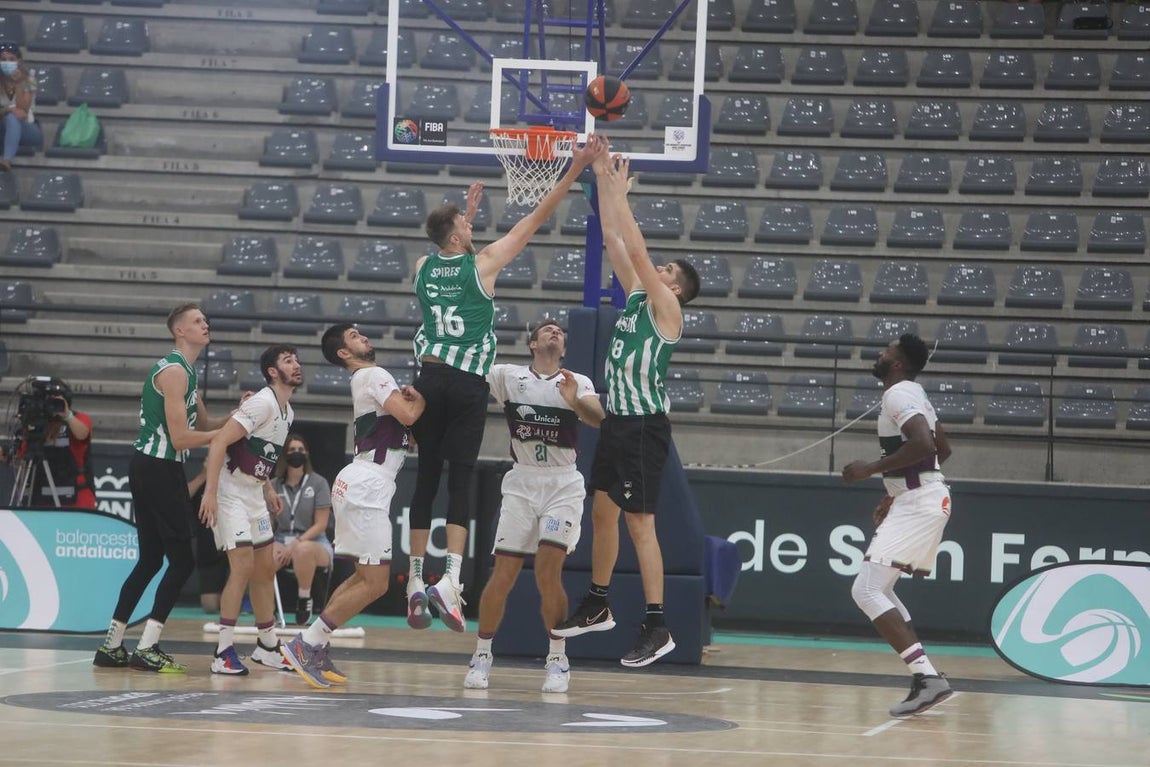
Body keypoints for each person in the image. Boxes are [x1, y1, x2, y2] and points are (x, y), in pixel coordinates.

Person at [405, 134, 608, 634]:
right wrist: (576, 166)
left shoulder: (422, 267)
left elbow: (446, 251)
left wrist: (464, 215)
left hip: (428, 375)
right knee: (460, 478)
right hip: (467, 382)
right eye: (466, 226)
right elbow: (534, 219)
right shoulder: (484, 264)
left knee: (426, 476)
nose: (471, 229)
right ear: (457, 239)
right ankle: (450, 581)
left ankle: (413, 581)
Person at [552, 150, 700, 668]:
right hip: (617, 421)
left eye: (667, 270)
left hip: (643, 427)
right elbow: (617, 242)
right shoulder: (638, 299)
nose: (658, 269)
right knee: (602, 512)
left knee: (641, 524)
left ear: (677, 287)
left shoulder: (668, 309)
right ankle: (597, 602)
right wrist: (602, 184)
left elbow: (637, 250)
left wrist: (616, 192)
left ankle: (658, 624)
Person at [463, 320, 605, 693]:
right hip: (522, 481)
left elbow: (598, 420)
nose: (556, 332)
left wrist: (573, 398)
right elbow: (467, 365)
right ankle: (481, 654)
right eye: (548, 330)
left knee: (547, 570)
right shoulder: (507, 376)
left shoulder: (579, 381)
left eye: (561, 331)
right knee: (504, 573)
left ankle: (557, 658)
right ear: (532, 343)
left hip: (563, 484)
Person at [281, 324, 425, 689]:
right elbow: (408, 416)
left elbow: (404, 424)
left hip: (362, 480)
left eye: (362, 333)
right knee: (376, 583)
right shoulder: (374, 374)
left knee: (364, 576)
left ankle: (316, 644)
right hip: (367, 483)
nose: (363, 336)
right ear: (343, 353)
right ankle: (306, 644)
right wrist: (420, 399)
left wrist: (409, 407)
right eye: (354, 336)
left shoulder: (366, 379)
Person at [93, 303, 231, 673]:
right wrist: (225, 436)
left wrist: (240, 415)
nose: (206, 324)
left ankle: (111, 645)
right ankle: (148, 647)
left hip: (151, 466)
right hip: (157, 465)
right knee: (182, 560)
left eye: (206, 318)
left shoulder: (188, 373)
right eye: (198, 321)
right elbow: (183, 437)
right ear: (179, 331)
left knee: (152, 559)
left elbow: (209, 422)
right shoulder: (174, 373)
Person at [841, 334, 955, 718]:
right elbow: (943, 449)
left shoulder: (898, 393)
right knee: (880, 589)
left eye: (887, 350)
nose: (880, 353)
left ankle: (928, 678)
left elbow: (924, 445)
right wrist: (893, 492)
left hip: (921, 502)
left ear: (898, 363)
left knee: (866, 590)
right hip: (918, 499)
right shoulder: (914, 394)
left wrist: (869, 470)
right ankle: (926, 676)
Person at [199, 344, 302, 676]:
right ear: (273, 372)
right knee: (241, 568)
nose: (297, 364)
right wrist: (211, 493)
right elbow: (219, 443)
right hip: (230, 493)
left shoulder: (288, 411)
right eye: (288, 361)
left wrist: (269, 486)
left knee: (264, 571)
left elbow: (259, 454)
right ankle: (223, 651)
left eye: (296, 359)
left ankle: (268, 646)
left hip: (254, 492)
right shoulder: (261, 402)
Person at [270, 433, 334, 626]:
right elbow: (268, 523)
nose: (296, 453)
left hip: (314, 541)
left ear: (306, 453)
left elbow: (321, 524)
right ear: (285, 455)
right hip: (281, 539)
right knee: (263, 555)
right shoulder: (273, 485)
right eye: (292, 450)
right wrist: (272, 543)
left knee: (303, 550)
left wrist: (297, 544)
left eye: (300, 450)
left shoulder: (318, 483)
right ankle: (267, 609)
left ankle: (304, 600)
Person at [20, 380, 95, 509]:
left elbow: (82, 434)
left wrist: (67, 415)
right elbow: (21, 454)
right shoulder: (36, 424)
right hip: (40, 499)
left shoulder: (79, 418)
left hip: (76, 498)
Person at [0, 44, 43, 172]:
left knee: (14, 118)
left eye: (11, 59)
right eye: (3, 59)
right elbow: (14, 110)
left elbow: (23, 110)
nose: (7, 63)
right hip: (2, 128)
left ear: (19, 61)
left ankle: (7, 160)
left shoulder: (29, 80)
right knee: (11, 115)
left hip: (28, 129)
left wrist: (19, 83)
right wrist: (8, 110)